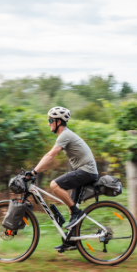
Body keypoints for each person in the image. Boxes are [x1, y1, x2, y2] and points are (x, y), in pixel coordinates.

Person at [25, 106, 98, 251]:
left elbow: (50, 156)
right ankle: (71, 241)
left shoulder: (64, 135)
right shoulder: (65, 135)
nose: (48, 123)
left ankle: (77, 214)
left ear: (58, 122)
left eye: (50, 120)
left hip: (86, 171)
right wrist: (38, 169)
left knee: (54, 185)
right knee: (71, 205)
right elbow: (49, 158)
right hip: (86, 171)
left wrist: (33, 172)